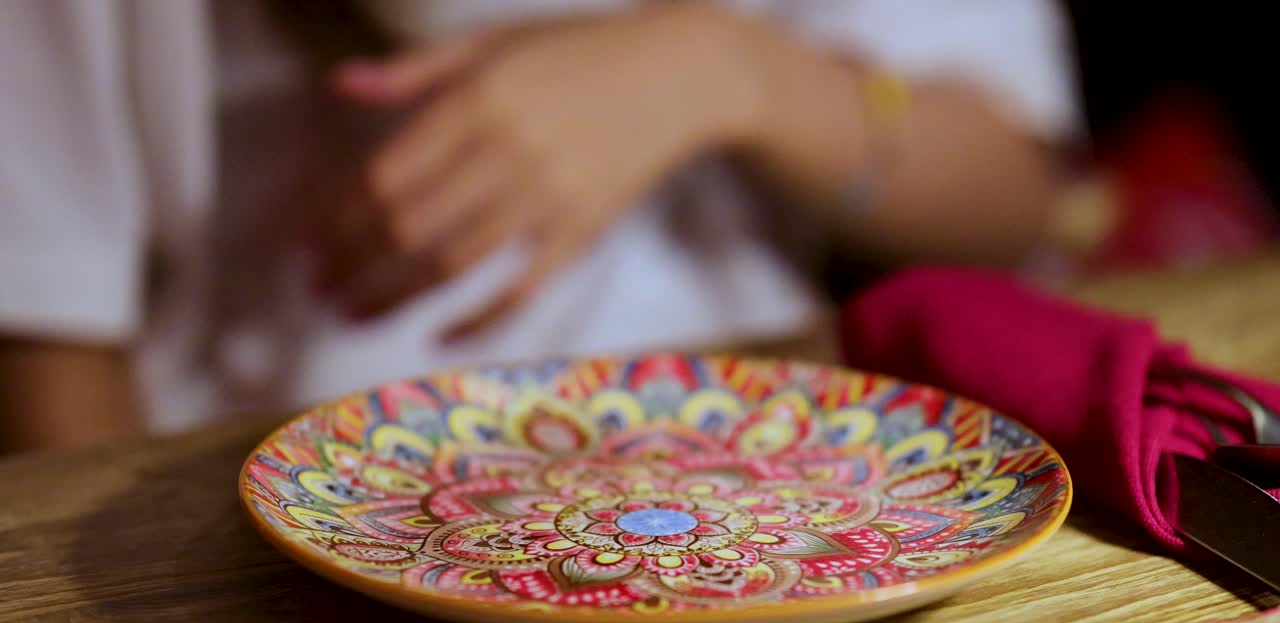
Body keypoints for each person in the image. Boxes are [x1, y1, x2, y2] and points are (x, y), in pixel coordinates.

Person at [0, 0, 1080, 453]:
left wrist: (725, 70)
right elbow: (52, 348)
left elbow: (1012, 189)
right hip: (271, 477)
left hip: (769, 453)